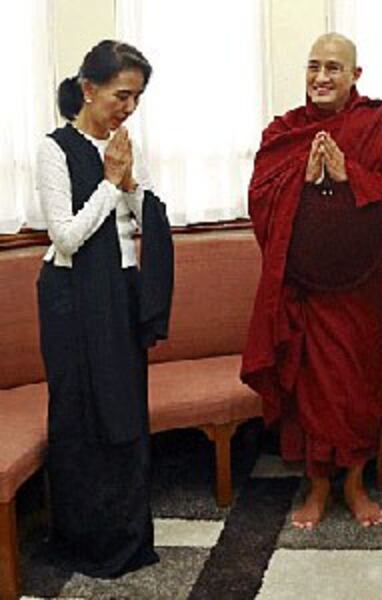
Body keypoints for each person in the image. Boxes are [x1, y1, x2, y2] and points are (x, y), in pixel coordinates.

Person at [241, 33, 382, 528]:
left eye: (334, 68)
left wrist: (349, 174)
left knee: (357, 387)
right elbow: (260, 196)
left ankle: (356, 486)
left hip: (360, 284)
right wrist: (301, 175)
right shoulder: (284, 131)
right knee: (312, 390)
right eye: (314, 66)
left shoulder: (377, 124)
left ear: (356, 75)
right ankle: (317, 490)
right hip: (305, 287)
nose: (321, 77)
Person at [36, 40, 173, 577]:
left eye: (137, 97)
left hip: (118, 293)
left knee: (124, 410)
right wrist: (110, 182)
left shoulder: (120, 147)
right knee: (81, 414)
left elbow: (143, 219)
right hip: (71, 300)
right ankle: (84, 541)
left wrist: (131, 185)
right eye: (122, 95)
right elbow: (66, 236)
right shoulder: (56, 148)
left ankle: (127, 537)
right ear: (88, 90)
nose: (129, 108)